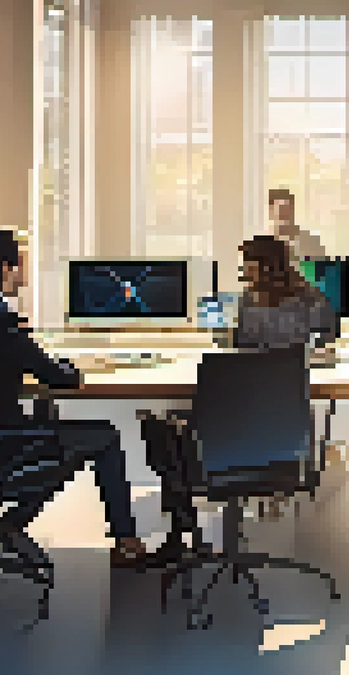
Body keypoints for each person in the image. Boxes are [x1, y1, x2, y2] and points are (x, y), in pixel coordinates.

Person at [0, 229, 147, 569]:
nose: (25, 272)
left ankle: (15, 521)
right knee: (102, 437)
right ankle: (125, 541)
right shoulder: (3, 322)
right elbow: (59, 378)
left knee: (67, 438)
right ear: (7, 270)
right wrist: (69, 365)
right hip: (5, 442)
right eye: (21, 264)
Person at [139, 236, 336, 561]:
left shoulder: (250, 301)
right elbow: (328, 337)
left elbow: (242, 351)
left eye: (248, 263)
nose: (244, 270)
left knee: (159, 425)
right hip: (287, 435)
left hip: (236, 431)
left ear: (264, 265)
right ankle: (200, 527)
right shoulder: (312, 299)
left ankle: (182, 532)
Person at [268, 187, 326, 262]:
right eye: (280, 211)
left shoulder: (310, 242)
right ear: (271, 213)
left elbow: (321, 269)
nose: (284, 214)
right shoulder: (263, 245)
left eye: (287, 209)